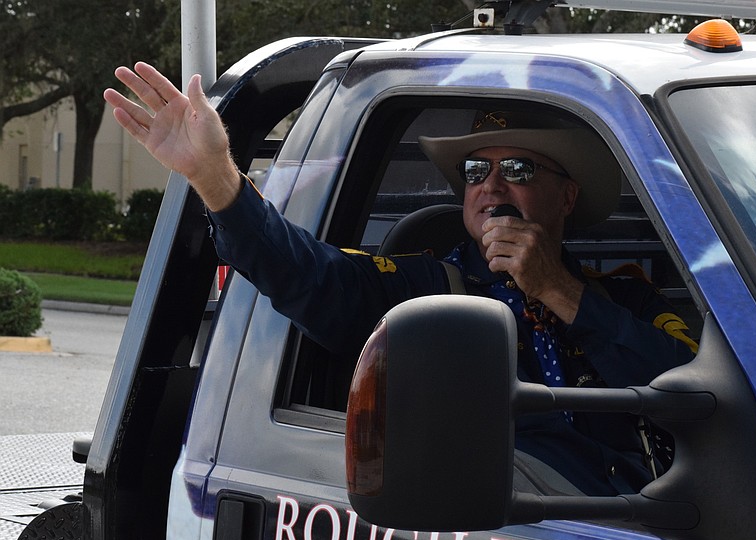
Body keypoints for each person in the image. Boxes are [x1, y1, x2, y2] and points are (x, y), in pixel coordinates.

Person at [104, 62, 697, 496]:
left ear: (567, 196)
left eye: (516, 168)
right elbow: (314, 276)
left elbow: (702, 396)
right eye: (474, 170)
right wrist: (216, 177)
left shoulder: (626, 296)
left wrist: (559, 292)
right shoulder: (428, 288)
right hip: (514, 527)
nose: (490, 185)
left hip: (658, 520)